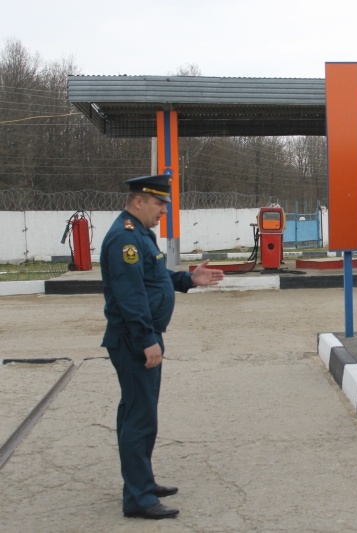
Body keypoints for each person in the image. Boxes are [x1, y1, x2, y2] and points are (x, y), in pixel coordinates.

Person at [101, 174, 224, 519]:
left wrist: (187, 279)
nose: (163, 211)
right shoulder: (124, 238)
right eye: (159, 204)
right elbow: (130, 295)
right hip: (134, 339)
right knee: (140, 417)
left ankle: (142, 482)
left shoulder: (140, 234)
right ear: (138, 201)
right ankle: (138, 498)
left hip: (140, 335)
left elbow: (153, 279)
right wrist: (146, 340)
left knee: (136, 412)